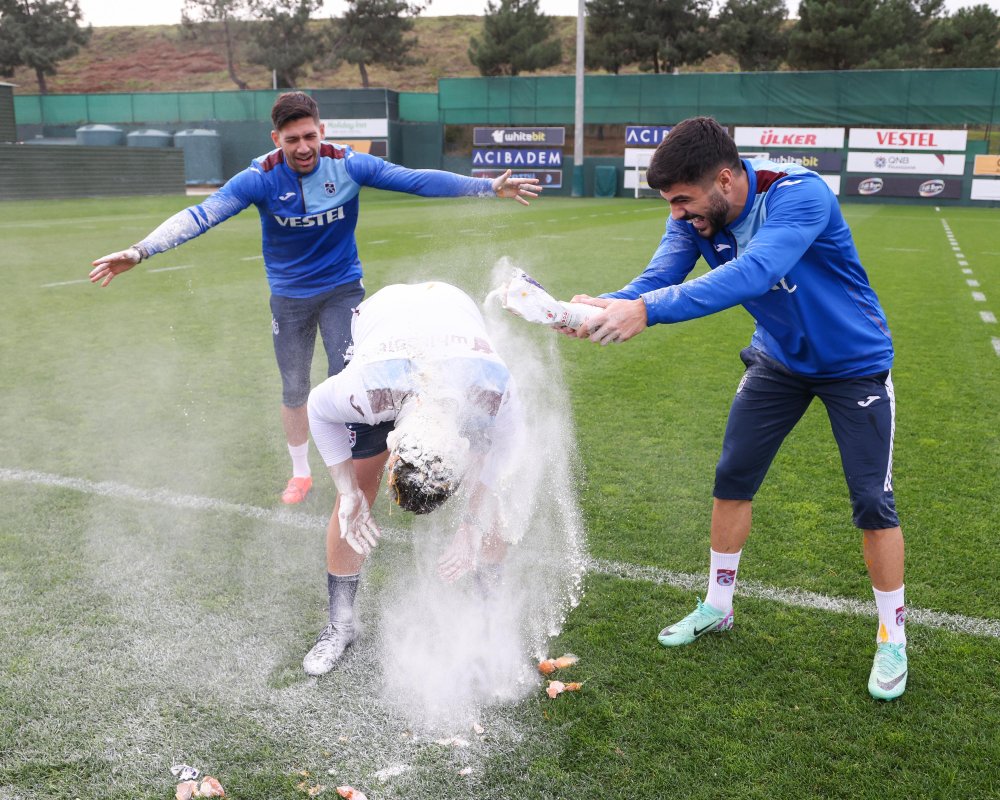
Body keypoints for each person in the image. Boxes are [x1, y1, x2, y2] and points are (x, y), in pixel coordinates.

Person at [567, 117, 908, 701]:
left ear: (725, 180)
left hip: (854, 365)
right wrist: (609, 304)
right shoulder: (694, 215)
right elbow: (660, 274)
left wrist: (646, 310)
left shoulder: (799, 194)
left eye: (683, 201)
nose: (677, 214)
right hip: (779, 362)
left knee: (872, 501)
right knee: (732, 478)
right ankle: (717, 605)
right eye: (670, 203)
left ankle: (892, 636)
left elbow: (756, 271)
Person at [89, 91, 539, 505]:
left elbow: (415, 180)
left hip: (343, 289)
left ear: (321, 131)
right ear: (276, 139)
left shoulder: (348, 164)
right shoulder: (259, 178)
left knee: (350, 378)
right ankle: (301, 472)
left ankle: (370, 465)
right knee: (294, 386)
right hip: (288, 298)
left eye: (309, 136)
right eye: (291, 140)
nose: (302, 147)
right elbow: (203, 213)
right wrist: (140, 250)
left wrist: (486, 186)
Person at [303, 281, 524, 676]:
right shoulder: (367, 395)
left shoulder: (495, 391)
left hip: (451, 309)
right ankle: (341, 624)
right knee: (357, 489)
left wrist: (472, 523)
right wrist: (348, 492)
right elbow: (317, 409)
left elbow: (505, 457)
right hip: (384, 322)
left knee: (493, 493)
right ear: (392, 439)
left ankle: (491, 622)